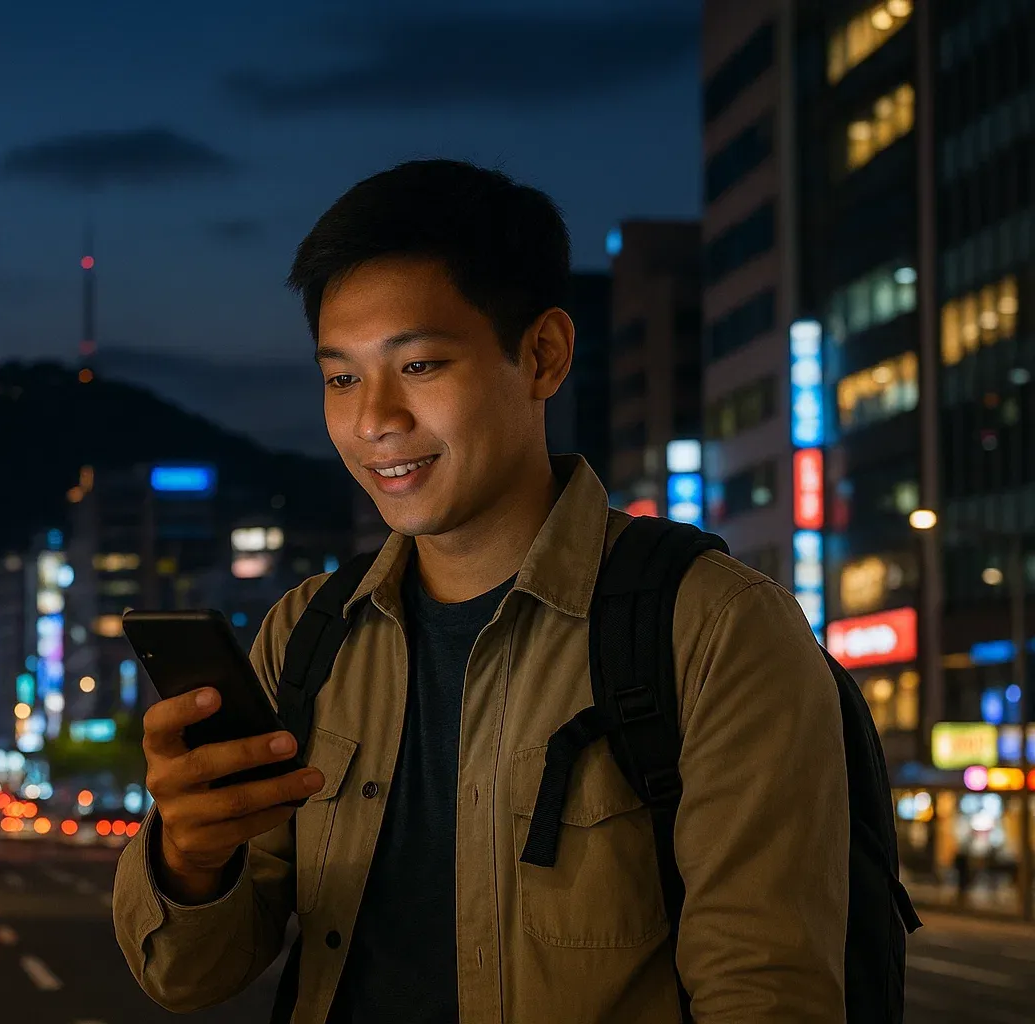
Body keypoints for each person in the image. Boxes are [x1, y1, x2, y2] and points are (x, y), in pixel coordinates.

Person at [112, 159, 849, 1022]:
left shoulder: (714, 626)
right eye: (341, 376)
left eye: (419, 366)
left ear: (542, 356)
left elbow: (768, 994)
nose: (373, 419)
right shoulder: (309, 633)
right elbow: (187, 977)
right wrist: (191, 859)